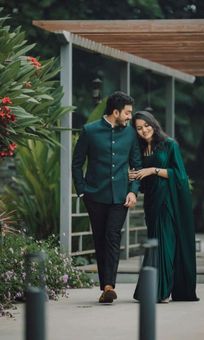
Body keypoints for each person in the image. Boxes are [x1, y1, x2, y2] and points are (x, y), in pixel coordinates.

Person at [72, 91, 142, 303]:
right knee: (100, 239)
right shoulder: (90, 131)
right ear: (115, 111)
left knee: (112, 236)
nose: (130, 117)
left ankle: (109, 286)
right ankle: (105, 287)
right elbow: (77, 163)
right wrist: (82, 190)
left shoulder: (130, 134)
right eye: (127, 113)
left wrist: (133, 190)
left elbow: (137, 165)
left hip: (120, 197)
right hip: (94, 196)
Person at [129, 110, 199, 303]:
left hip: (168, 203)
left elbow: (180, 175)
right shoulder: (140, 149)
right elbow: (143, 182)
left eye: (147, 125)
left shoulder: (169, 145)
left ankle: (163, 291)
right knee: (155, 245)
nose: (144, 130)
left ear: (154, 123)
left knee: (165, 245)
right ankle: (151, 289)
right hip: (151, 203)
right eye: (139, 128)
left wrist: (153, 170)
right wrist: (134, 177)